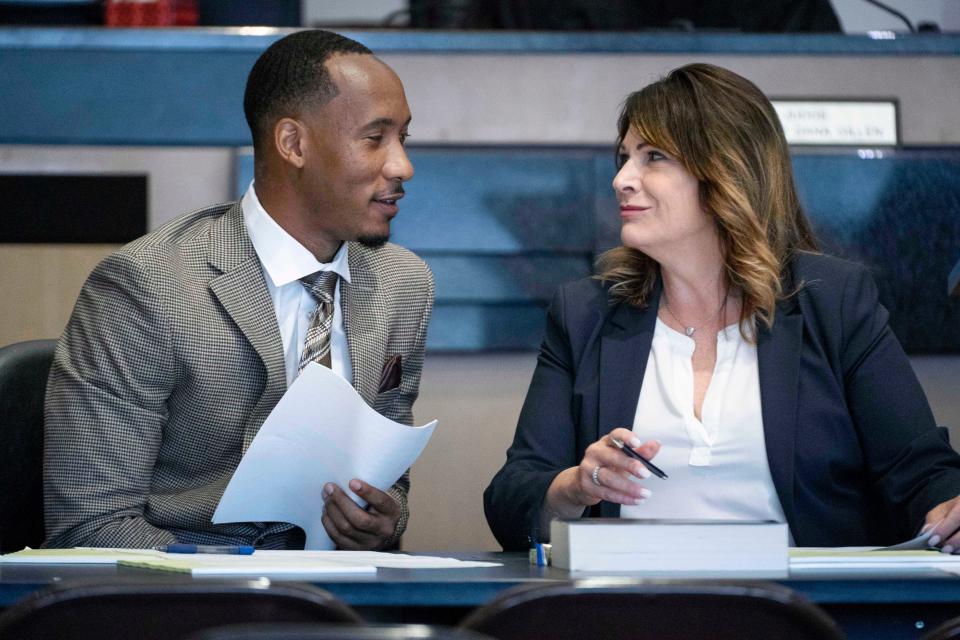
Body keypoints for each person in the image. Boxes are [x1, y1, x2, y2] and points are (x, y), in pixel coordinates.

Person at [484, 63, 960, 552]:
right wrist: (575, 488)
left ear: (726, 173)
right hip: (629, 611)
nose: (622, 179)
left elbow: (921, 472)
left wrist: (949, 506)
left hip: (801, 614)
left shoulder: (833, 301)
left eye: (654, 157)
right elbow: (510, 499)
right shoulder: (585, 313)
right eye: (624, 157)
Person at [43, 30, 434, 550]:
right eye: (374, 137)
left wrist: (384, 519)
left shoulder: (402, 284)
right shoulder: (148, 286)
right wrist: (256, 579)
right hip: (188, 608)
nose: (402, 166)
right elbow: (90, 527)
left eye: (402, 138)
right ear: (294, 143)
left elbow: (387, 473)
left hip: (343, 602)